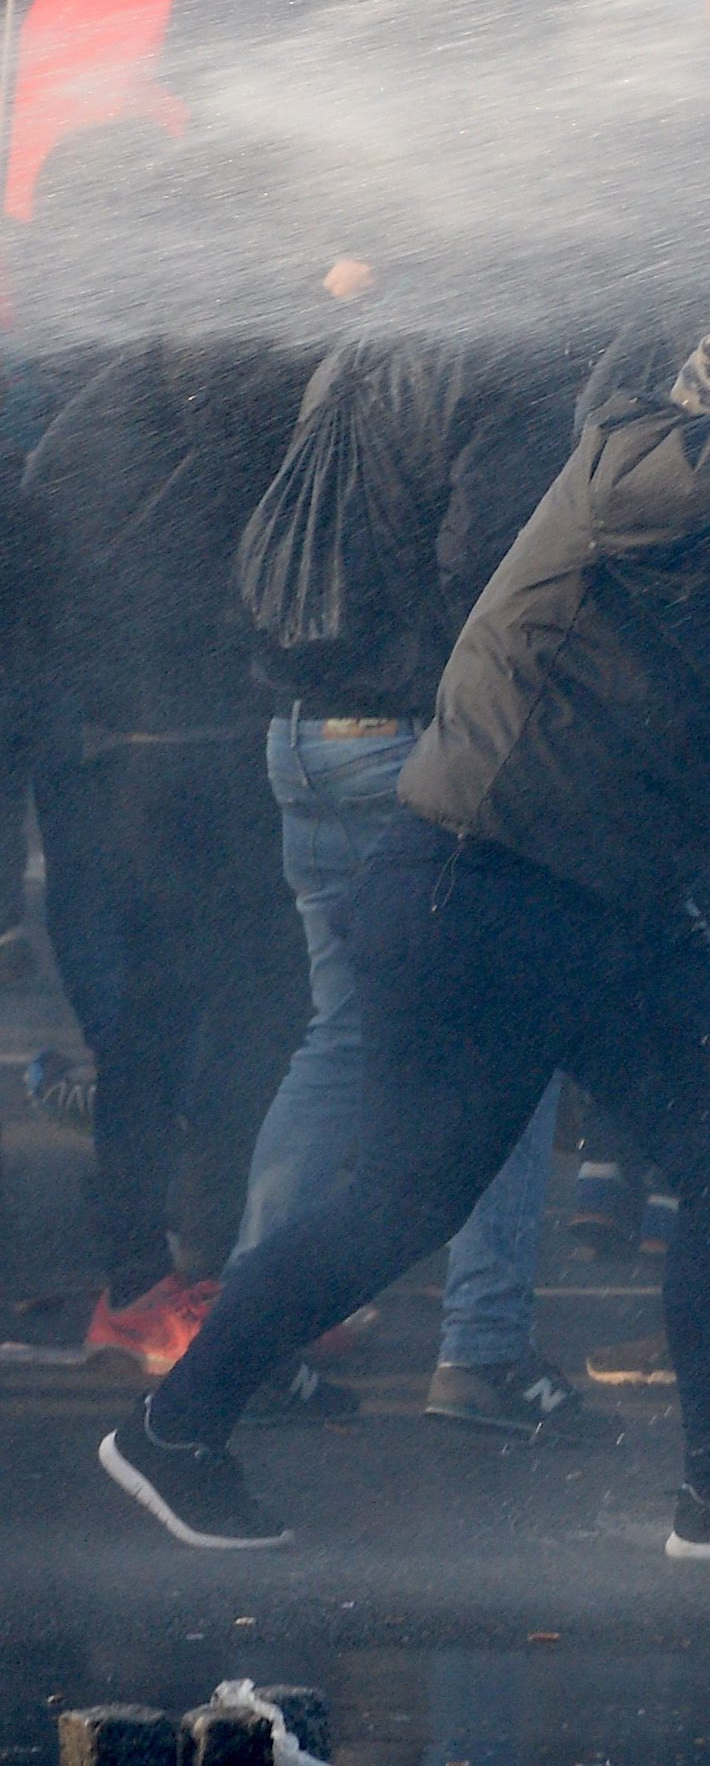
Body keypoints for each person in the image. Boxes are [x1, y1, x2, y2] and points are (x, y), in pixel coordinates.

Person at [103, 311, 710, 1562]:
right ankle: (176, 1425)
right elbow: (704, 470)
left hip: (613, 903)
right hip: (485, 884)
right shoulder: (624, 463)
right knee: (399, 1202)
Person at [228, 318, 603, 1441]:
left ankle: (246, 1338)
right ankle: (483, 1351)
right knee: (508, 1042)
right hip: (419, 743)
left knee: (339, 1034)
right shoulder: (511, 350)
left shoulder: (352, 350)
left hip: (303, 737)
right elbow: (491, 558)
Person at [26, 335, 319, 1379]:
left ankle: (178, 1278)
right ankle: (165, 1285)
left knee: (208, 1021)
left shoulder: (135, 401)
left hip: (163, 762)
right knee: (207, 1020)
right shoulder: (200, 397)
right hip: (174, 770)